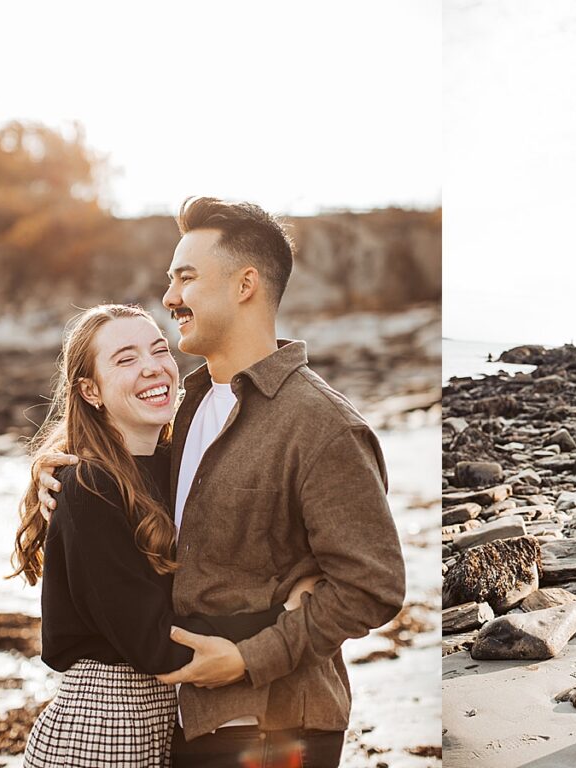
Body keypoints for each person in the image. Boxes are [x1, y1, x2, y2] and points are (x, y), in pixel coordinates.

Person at [36, 198, 406, 768]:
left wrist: (251, 655)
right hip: (191, 723)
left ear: (244, 285)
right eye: (170, 279)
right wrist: (52, 470)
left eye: (186, 277)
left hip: (276, 726)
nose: (169, 298)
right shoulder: (188, 409)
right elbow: (127, 494)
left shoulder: (323, 426)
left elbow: (373, 587)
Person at [12, 304, 314, 767]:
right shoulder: (90, 486)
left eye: (159, 349)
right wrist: (284, 615)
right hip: (101, 730)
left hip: (157, 723)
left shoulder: (174, 462)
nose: (153, 367)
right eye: (126, 359)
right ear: (90, 391)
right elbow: (155, 642)